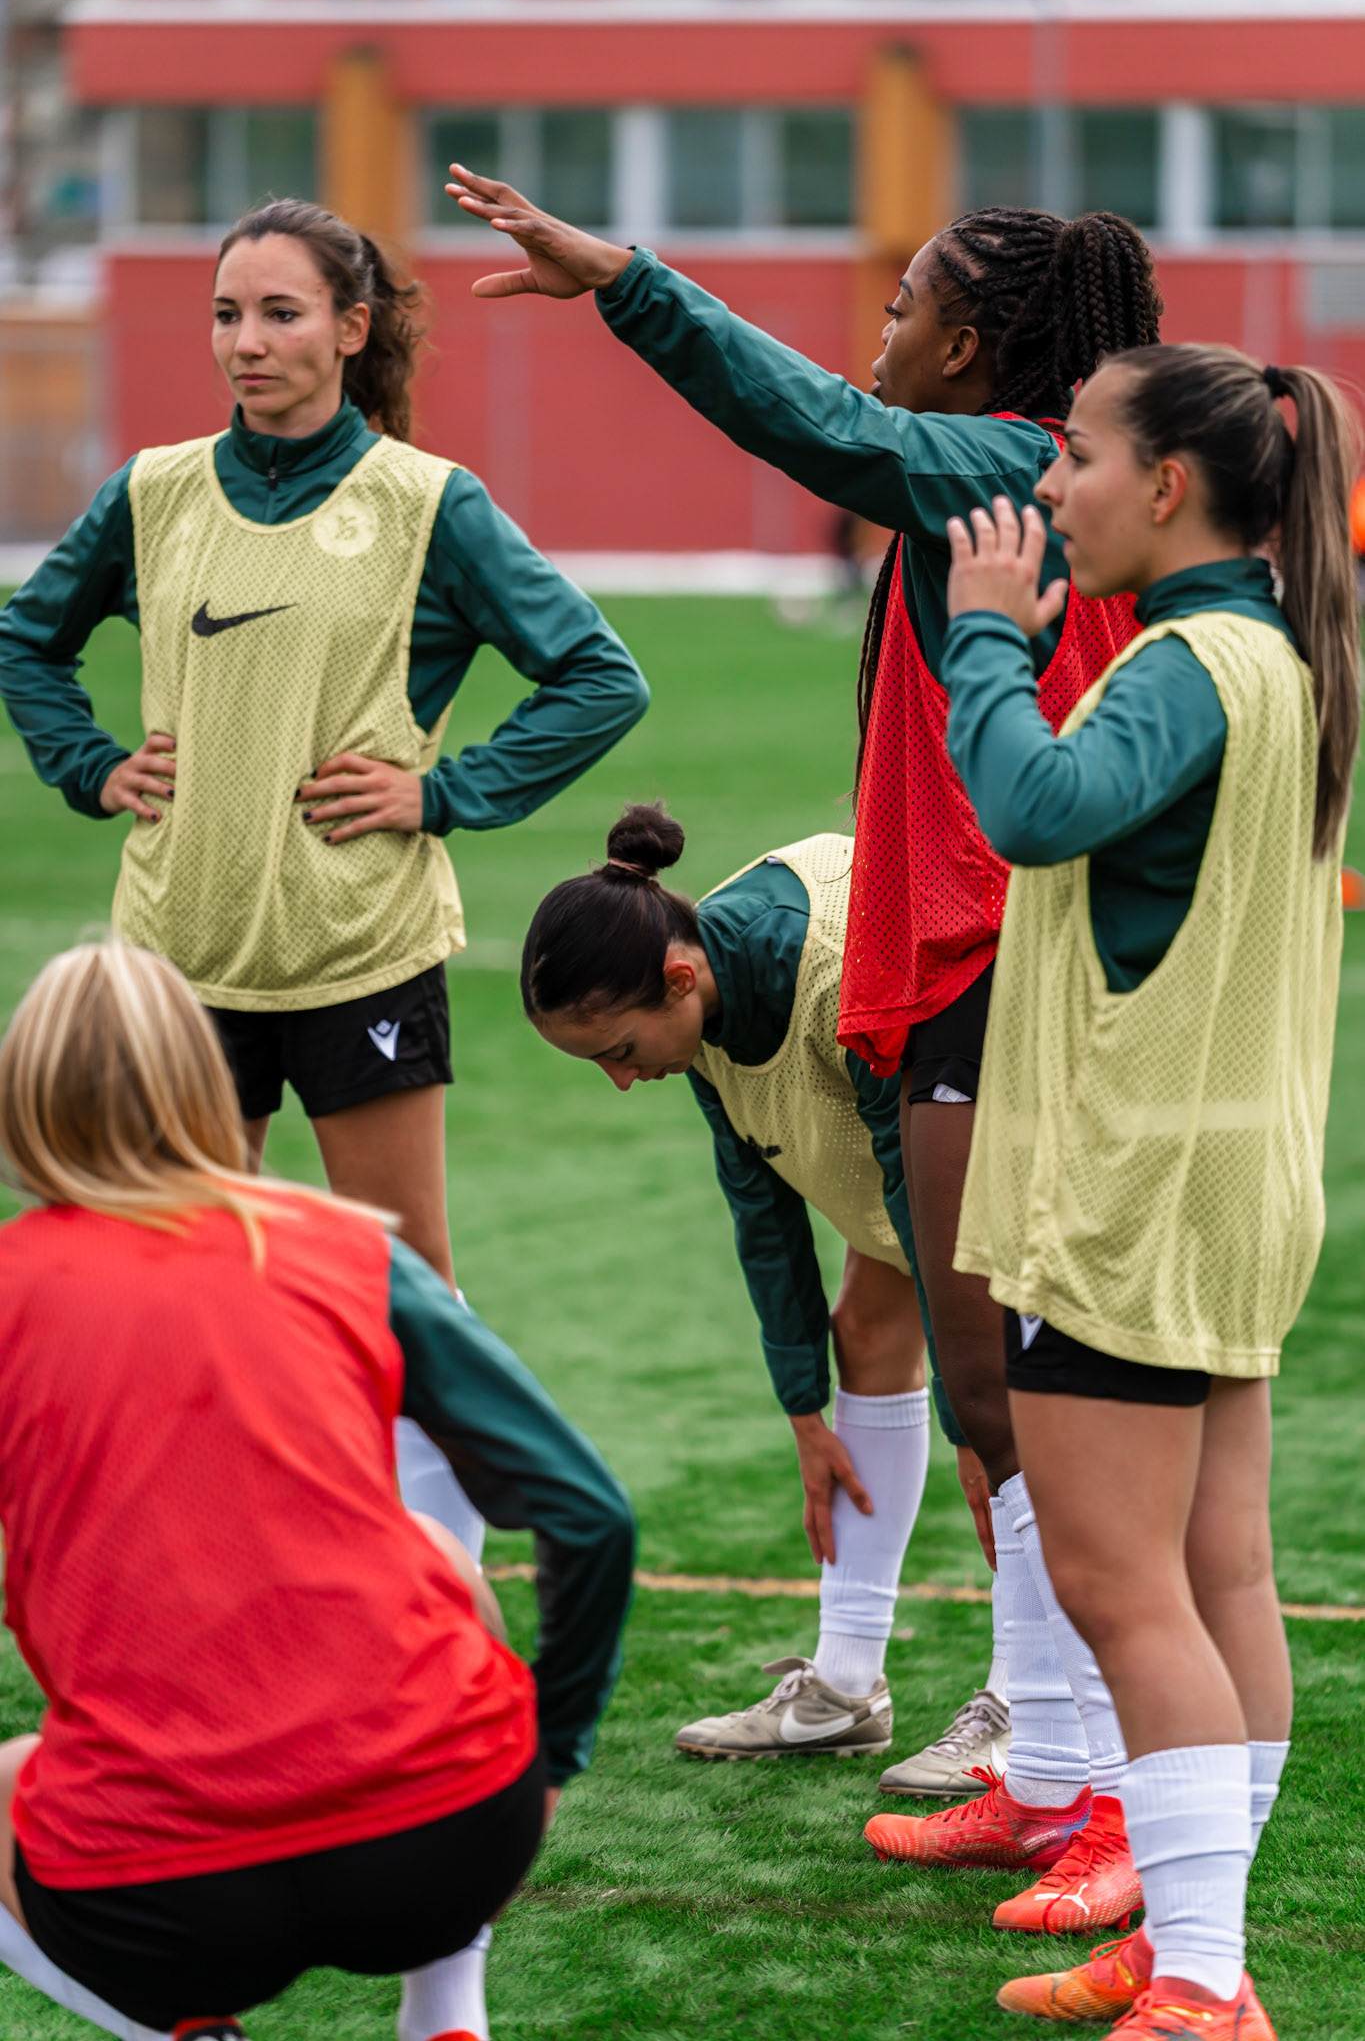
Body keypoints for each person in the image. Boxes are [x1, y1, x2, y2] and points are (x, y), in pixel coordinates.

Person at [448, 167, 1156, 1928]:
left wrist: (627, 281)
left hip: (1003, 963)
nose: (881, 330)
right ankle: (1043, 1776)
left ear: (972, 347)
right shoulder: (1003, 469)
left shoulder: (1004, 463)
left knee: (1029, 1393)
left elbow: (819, 427)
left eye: (908, 302)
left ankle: (1097, 1791)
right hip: (955, 958)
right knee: (982, 1381)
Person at [934, 348, 1355, 2037]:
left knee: (1124, 1589)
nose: (1050, 489)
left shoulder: (1190, 660)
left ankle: (1198, 1985)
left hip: (1136, 1188)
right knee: (1221, 1571)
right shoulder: (1278, 649)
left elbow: (1036, 810)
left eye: (1079, 456)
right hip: (1232, 1174)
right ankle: (1194, 1941)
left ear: (1168, 484)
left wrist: (982, 639)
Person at [0, 197, 648, 1293]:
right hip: (179, 952)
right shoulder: (153, 492)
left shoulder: (428, 503)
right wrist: (91, 765)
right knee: (185, 1273)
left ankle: (403, 1427)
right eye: (227, 314)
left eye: (280, 313)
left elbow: (599, 678)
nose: (246, 342)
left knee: (405, 1280)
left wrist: (441, 795)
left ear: (351, 328)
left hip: (360, 950)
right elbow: (26, 639)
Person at [0, 939, 636, 2041]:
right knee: (442, 1562)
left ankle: (184, 2033)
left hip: (165, 1898)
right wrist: (556, 1751)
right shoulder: (346, 1246)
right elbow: (590, 1514)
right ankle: (446, 2004)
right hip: (451, 1841)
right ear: (205, 1082)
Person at [521, 800, 1011, 1790]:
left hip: (1000, 1127)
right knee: (866, 1327)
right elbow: (761, 1206)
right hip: (905, 1156)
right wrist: (803, 1411)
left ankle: (1028, 1706)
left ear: (679, 979)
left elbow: (916, 1182)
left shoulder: (832, 970)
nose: (621, 1080)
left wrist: (974, 1423)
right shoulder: (698, 994)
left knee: (1012, 1412)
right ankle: (846, 1688)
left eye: (619, 1050)